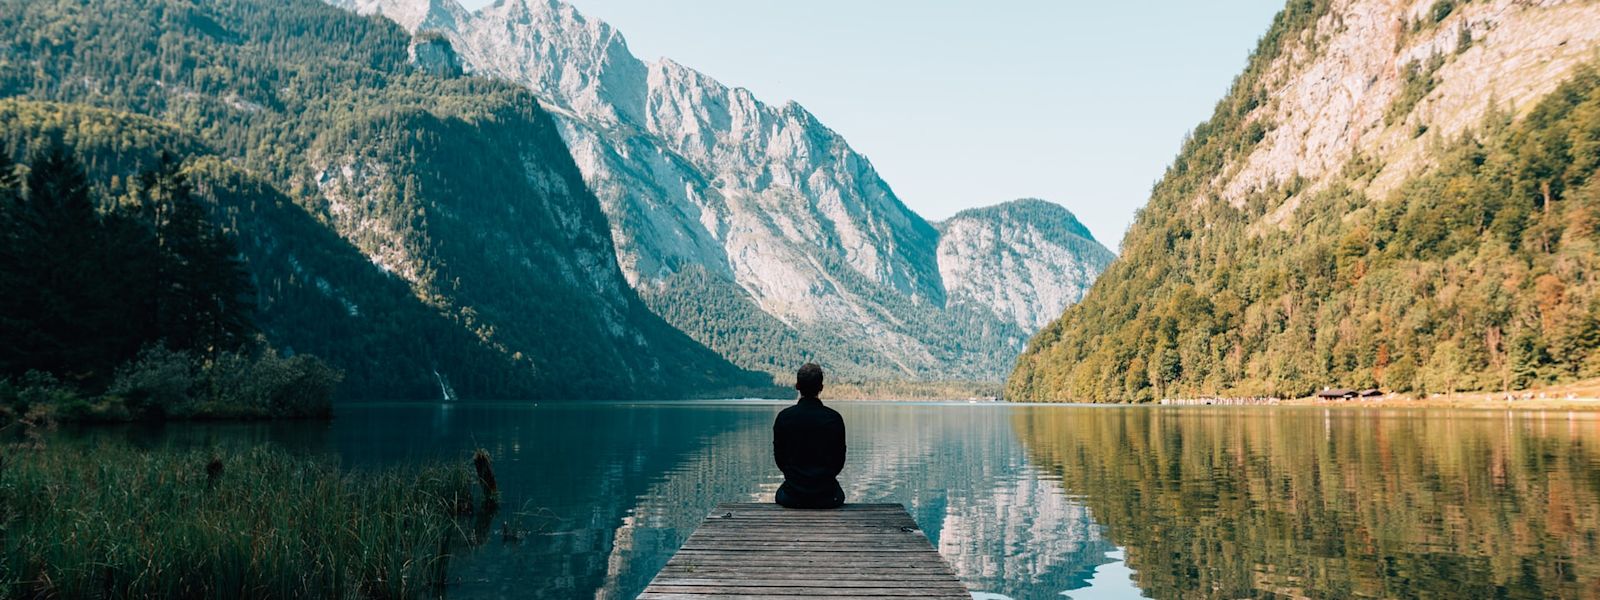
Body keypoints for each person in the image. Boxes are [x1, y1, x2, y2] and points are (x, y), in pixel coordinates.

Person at [773, 363, 846, 509]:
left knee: (781, 493)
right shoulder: (834, 418)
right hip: (828, 497)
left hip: (792, 496)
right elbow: (839, 460)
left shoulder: (784, 417)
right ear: (821, 388)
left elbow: (779, 458)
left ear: (797, 386)